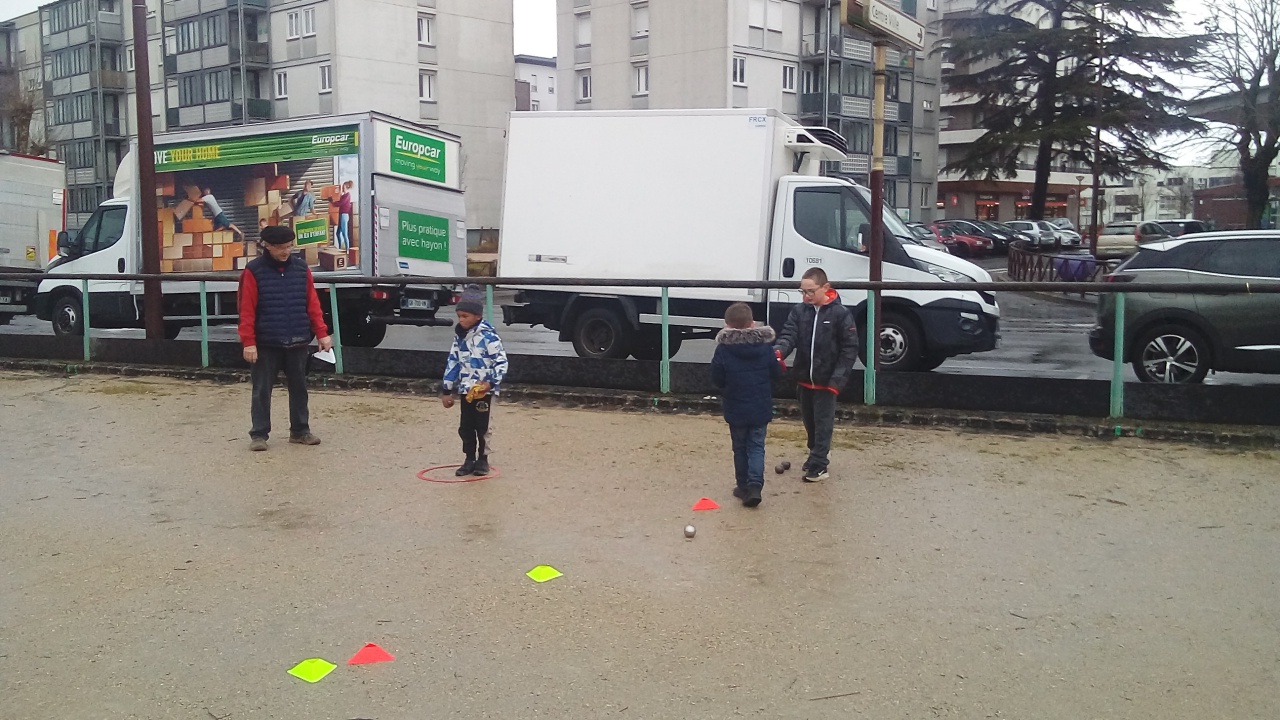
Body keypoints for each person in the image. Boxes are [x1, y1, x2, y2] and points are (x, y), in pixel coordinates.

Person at [237, 225, 334, 452]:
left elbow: (312, 303)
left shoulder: (301, 269)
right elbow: (246, 309)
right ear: (268, 246)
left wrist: (322, 332)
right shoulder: (253, 271)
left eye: (289, 246)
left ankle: (300, 431)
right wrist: (248, 342)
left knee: (300, 387)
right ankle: (259, 434)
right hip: (266, 341)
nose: (286, 251)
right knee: (262, 390)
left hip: (298, 338)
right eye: (281, 247)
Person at [774, 267, 858, 482]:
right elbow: (789, 335)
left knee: (823, 424)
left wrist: (837, 380)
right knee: (810, 422)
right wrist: (779, 352)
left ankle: (820, 465)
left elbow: (849, 349)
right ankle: (815, 454)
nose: (806, 296)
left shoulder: (841, 314)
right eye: (803, 291)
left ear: (825, 287)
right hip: (804, 378)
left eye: (810, 291)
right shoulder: (799, 311)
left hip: (827, 381)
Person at [710, 302, 781, 508]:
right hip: (760, 406)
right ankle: (755, 485)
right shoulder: (765, 347)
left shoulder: (723, 350)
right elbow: (776, 373)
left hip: (736, 407)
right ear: (752, 324)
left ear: (727, 325)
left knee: (739, 448)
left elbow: (717, 379)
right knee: (757, 446)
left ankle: (742, 486)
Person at [440, 286, 508, 477]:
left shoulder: (489, 337)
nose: (461, 320)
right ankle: (469, 458)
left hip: (484, 392)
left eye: (465, 316)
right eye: (459, 316)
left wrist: (490, 382)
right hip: (466, 391)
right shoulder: (459, 339)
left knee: (483, 427)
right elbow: (452, 362)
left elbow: (501, 362)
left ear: (477, 316)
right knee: (466, 426)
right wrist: (447, 390)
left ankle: (483, 459)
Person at [334, 181, 353, 250]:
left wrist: (332, 202)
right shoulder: (342, 196)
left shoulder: (347, 195)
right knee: (338, 233)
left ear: (347, 187)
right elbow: (339, 202)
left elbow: (340, 203)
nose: (342, 188)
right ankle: (340, 248)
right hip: (341, 214)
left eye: (343, 187)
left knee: (344, 233)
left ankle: (347, 249)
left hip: (344, 215)